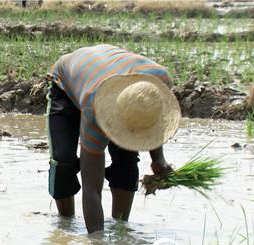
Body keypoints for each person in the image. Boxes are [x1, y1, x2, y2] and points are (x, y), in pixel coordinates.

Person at [47, 44, 181, 233]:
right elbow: (91, 188)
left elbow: (154, 118)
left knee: (126, 158)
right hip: (69, 82)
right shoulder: (94, 109)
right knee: (63, 160)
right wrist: (96, 244)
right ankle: (65, 223)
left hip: (107, 72)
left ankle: (120, 226)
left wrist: (157, 159)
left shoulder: (160, 80)